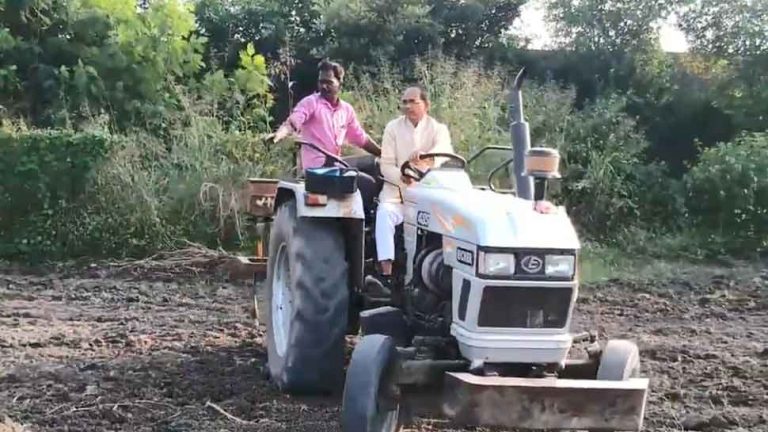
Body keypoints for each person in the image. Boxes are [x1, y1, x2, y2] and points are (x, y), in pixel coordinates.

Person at [366, 85, 454, 293]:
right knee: (385, 213)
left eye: (413, 101)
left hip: (429, 194)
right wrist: (402, 176)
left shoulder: (438, 129)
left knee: (449, 221)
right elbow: (386, 165)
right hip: (397, 193)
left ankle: (441, 274)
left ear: (426, 104)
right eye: (404, 102)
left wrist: (427, 155)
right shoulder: (393, 128)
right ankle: (385, 274)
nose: (407, 106)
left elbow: (444, 152)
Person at [268, 60, 381, 208]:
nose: (323, 86)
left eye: (328, 82)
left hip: (336, 163)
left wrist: (384, 153)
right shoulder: (310, 103)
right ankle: (362, 222)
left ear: (339, 83)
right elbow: (293, 122)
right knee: (368, 184)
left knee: (377, 164)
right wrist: (278, 135)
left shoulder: (346, 110)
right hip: (318, 169)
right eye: (321, 82)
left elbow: (361, 139)